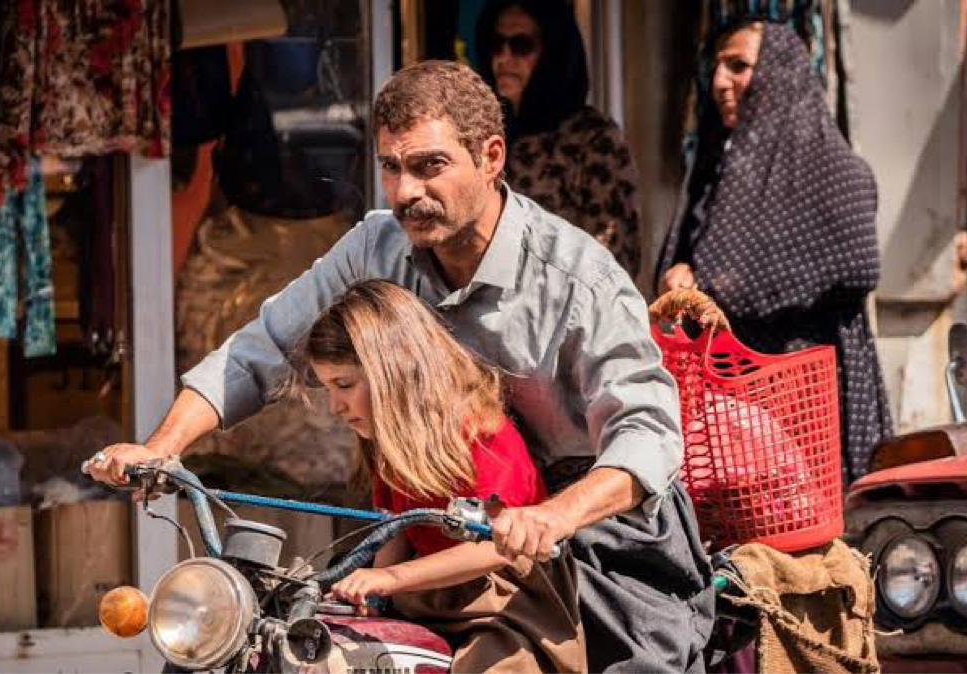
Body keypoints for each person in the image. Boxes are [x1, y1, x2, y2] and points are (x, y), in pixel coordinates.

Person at [88, 60, 713, 672]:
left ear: (492, 157)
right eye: (391, 167)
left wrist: (552, 516)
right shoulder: (375, 245)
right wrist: (161, 450)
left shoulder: (579, 277)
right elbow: (263, 346)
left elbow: (649, 435)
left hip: (597, 538)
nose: (407, 191)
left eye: (430, 166)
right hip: (444, 536)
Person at [294, 279, 584, 673]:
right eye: (329, 388)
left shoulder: (480, 432)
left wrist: (392, 578)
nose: (336, 406)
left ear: (394, 371)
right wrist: (371, 592)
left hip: (502, 602)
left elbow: (495, 548)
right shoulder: (389, 444)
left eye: (344, 385)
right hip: (425, 597)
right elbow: (391, 533)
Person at [653, 21, 892, 481]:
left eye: (739, 66)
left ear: (779, 75)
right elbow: (694, 252)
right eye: (717, 68)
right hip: (733, 392)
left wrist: (719, 284)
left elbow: (856, 263)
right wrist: (681, 273)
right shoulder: (718, 170)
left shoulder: (835, 170)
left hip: (806, 391)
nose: (721, 82)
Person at [474, 0, 642, 278]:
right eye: (496, 44)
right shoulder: (482, 133)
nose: (504, 58)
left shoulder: (592, 138)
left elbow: (613, 256)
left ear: (554, 54)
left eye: (521, 46)